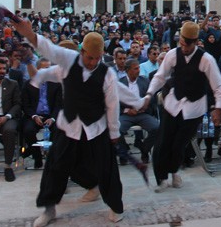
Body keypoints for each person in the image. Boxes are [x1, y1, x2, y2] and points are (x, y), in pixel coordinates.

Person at [11, 19, 149, 226]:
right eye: (89, 57)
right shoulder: (68, 60)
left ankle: (115, 206)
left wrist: (114, 133)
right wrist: (30, 36)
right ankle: (49, 210)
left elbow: (113, 105)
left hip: (97, 127)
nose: (93, 62)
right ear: (82, 51)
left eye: (97, 58)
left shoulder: (107, 74)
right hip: (69, 126)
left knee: (107, 168)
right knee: (56, 167)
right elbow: (48, 51)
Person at [146, 22, 221, 193]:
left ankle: (174, 171)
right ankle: (161, 178)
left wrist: (218, 108)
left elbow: (218, 86)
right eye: (181, 43)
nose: (184, 47)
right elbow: (160, 77)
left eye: (188, 44)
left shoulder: (206, 59)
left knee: (179, 145)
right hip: (173, 104)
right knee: (162, 143)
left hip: (194, 108)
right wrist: (149, 94)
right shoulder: (172, 55)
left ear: (196, 42)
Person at [22, 58, 63, 169]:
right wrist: (34, 116)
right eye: (45, 68)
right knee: (28, 130)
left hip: (51, 116)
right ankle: (37, 157)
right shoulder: (28, 84)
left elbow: (59, 105)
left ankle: (53, 158)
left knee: (59, 130)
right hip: (34, 116)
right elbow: (25, 105)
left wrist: (53, 118)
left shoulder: (56, 84)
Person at [118, 58, 158, 164]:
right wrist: (126, 110)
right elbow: (115, 101)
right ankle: (124, 153)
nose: (138, 70)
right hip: (126, 114)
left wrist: (145, 104)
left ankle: (144, 150)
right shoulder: (120, 83)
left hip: (142, 113)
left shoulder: (144, 80)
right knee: (117, 130)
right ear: (128, 70)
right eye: (135, 68)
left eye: (139, 68)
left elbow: (152, 97)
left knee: (156, 128)